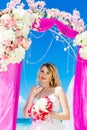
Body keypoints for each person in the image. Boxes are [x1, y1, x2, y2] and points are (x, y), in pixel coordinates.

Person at [23, 62, 70, 130]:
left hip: (53, 127)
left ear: (52, 76)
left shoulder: (58, 90)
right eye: (42, 71)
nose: (44, 74)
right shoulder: (34, 90)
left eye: (48, 73)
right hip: (36, 127)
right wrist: (31, 95)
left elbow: (67, 116)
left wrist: (52, 115)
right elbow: (26, 115)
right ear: (39, 73)